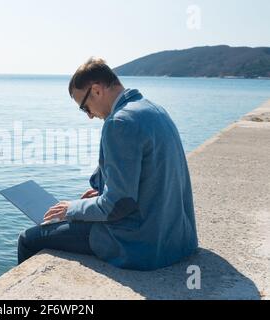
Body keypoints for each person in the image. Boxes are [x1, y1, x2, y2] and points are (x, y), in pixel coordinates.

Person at [17, 57, 198, 270]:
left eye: (85, 107)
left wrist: (71, 208)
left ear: (96, 90)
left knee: (27, 239)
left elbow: (117, 206)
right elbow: (149, 177)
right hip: (177, 240)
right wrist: (101, 191)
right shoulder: (153, 109)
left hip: (143, 245)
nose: (90, 116)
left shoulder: (119, 123)